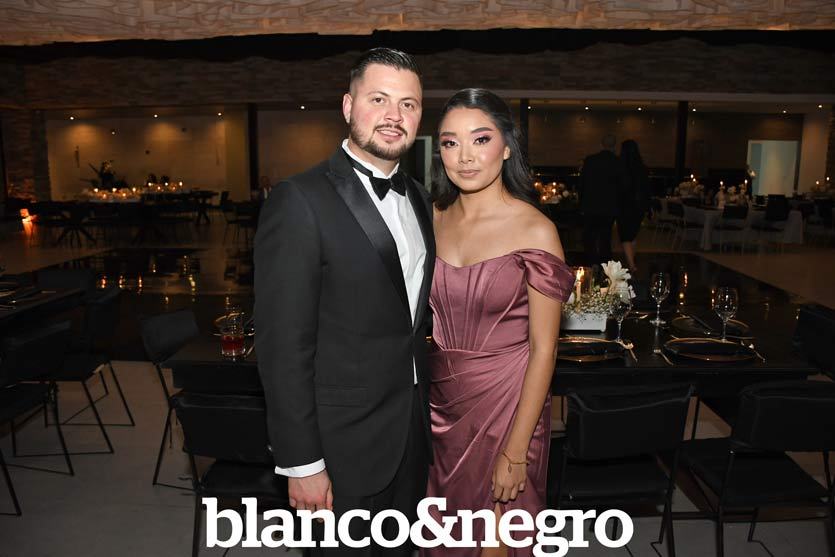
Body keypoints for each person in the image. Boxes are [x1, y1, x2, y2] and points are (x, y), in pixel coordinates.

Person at [254, 47, 434, 555]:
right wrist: (302, 462)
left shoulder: (420, 197)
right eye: (379, 99)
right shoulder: (299, 199)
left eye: (408, 104)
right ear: (349, 106)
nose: (394, 115)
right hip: (339, 445)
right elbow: (282, 344)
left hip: (410, 434)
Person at [424, 89, 573, 556]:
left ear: (507, 147)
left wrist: (516, 450)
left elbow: (545, 349)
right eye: (450, 143)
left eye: (481, 139)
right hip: (442, 407)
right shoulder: (432, 218)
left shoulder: (535, 230)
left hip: (508, 407)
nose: (465, 156)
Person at [578, 133, 625, 264]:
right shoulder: (618, 162)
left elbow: (582, 183)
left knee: (590, 237)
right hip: (609, 207)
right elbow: (621, 187)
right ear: (615, 146)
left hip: (590, 205)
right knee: (606, 237)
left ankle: (590, 263)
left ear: (601, 144)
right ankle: (605, 265)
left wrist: (581, 203)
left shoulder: (590, 160)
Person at [617, 139, 650, 272]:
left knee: (625, 237)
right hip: (638, 207)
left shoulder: (621, 168)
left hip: (624, 207)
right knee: (633, 236)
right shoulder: (642, 168)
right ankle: (632, 261)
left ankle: (631, 265)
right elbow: (646, 190)